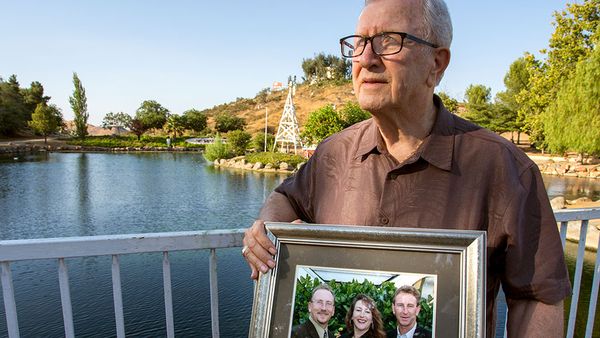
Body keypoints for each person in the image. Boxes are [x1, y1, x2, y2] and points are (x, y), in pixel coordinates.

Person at [242, 0, 571, 336]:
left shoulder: (505, 168)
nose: (366, 59)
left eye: (388, 40)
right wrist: (268, 227)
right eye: (358, 43)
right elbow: (287, 197)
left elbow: (537, 297)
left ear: (437, 63)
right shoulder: (333, 152)